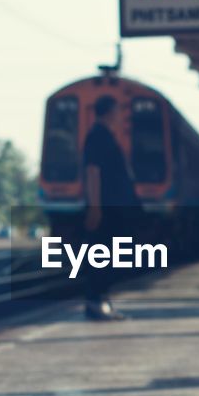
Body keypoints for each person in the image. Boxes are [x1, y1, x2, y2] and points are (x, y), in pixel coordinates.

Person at [82, 95, 141, 321]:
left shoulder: (106, 136)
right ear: (108, 112)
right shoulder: (97, 136)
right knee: (103, 254)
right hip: (106, 208)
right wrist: (95, 207)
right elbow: (92, 171)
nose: (121, 116)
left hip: (112, 208)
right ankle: (96, 302)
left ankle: (102, 300)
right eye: (118, 111)